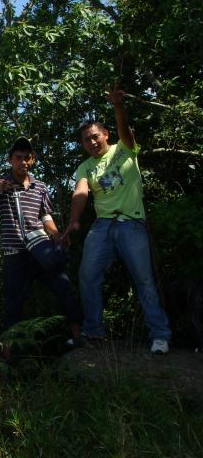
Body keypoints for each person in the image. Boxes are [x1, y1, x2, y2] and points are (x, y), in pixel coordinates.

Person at [64, 87, 172, 354]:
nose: (91, 143)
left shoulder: (124, 148)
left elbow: (127, 132)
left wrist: (118, 106)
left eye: (95, 137)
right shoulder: (85, 167)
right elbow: (80, 192)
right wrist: (74, 221)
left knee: (144, 279)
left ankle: (160, 335)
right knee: (87, 276)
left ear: (105, 135)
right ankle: (94, 331)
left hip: (132, 223)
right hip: (102, 225)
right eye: (86, 140)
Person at [0, 137, 83, 343]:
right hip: (14, 253)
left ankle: (78, 336)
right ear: (10, 160)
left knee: (63, 287)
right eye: (18, 158)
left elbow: (45, 216)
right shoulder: (1, 182)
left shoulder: (39, 186)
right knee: (14, 302)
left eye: (26, 158)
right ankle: (10, 347)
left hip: (41, 250)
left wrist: (57, 236)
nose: (22, 162)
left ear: (32, 161)